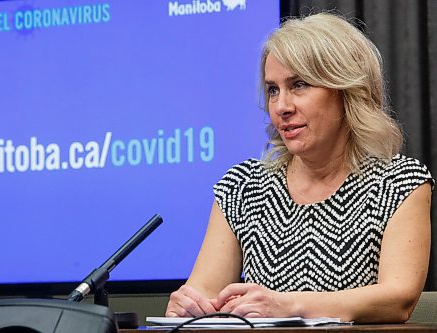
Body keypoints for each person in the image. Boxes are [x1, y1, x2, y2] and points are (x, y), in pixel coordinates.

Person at [165, 13, 434, 324]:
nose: (281, 106)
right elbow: (205, 295)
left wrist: (289, 305)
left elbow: (397, 298)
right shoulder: (242, 186)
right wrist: (190, 307)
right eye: (273, 90)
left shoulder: (398, 181)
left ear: (346, 90)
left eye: (299, 85)